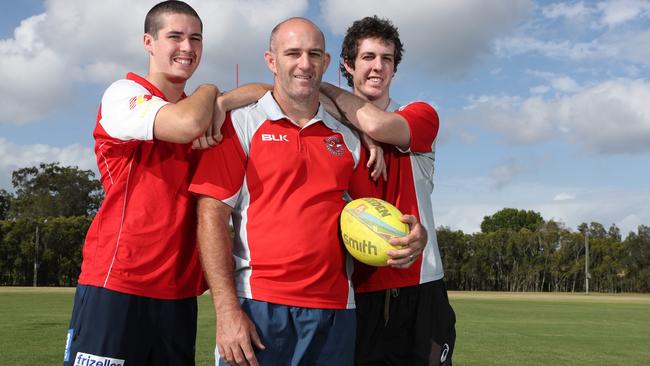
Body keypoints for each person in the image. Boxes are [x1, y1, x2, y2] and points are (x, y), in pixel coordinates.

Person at [189, 17, 424, 366]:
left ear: (326, 64)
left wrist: (411, 235)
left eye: (314, 54)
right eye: (292, 53)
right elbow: (211, 216)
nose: (304, 63)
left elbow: (371, 213)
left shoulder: (349, 138)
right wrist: (226, 310)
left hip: (336, 312)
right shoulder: (239, 124)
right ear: (271, 61)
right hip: (260, 307)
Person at [62, 2, 268, 365]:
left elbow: (274, 92)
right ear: (149, 42)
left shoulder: (203, 110)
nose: (187, 48)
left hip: (178, 294)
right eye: (175, 36)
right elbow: (184, 125)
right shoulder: (123, 94)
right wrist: (211, 90)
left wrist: (223, 102)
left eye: (195, 38)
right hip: (118, 283)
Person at [320, 16, 457, 366]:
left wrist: (327, 89)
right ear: (348, 65)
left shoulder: (419, 115)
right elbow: (274, 92)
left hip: (422, 287)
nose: (378, 67)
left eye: (387, 58)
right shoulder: (327, 133)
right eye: (367, 57)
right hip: (358, 293)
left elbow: (377, 124)